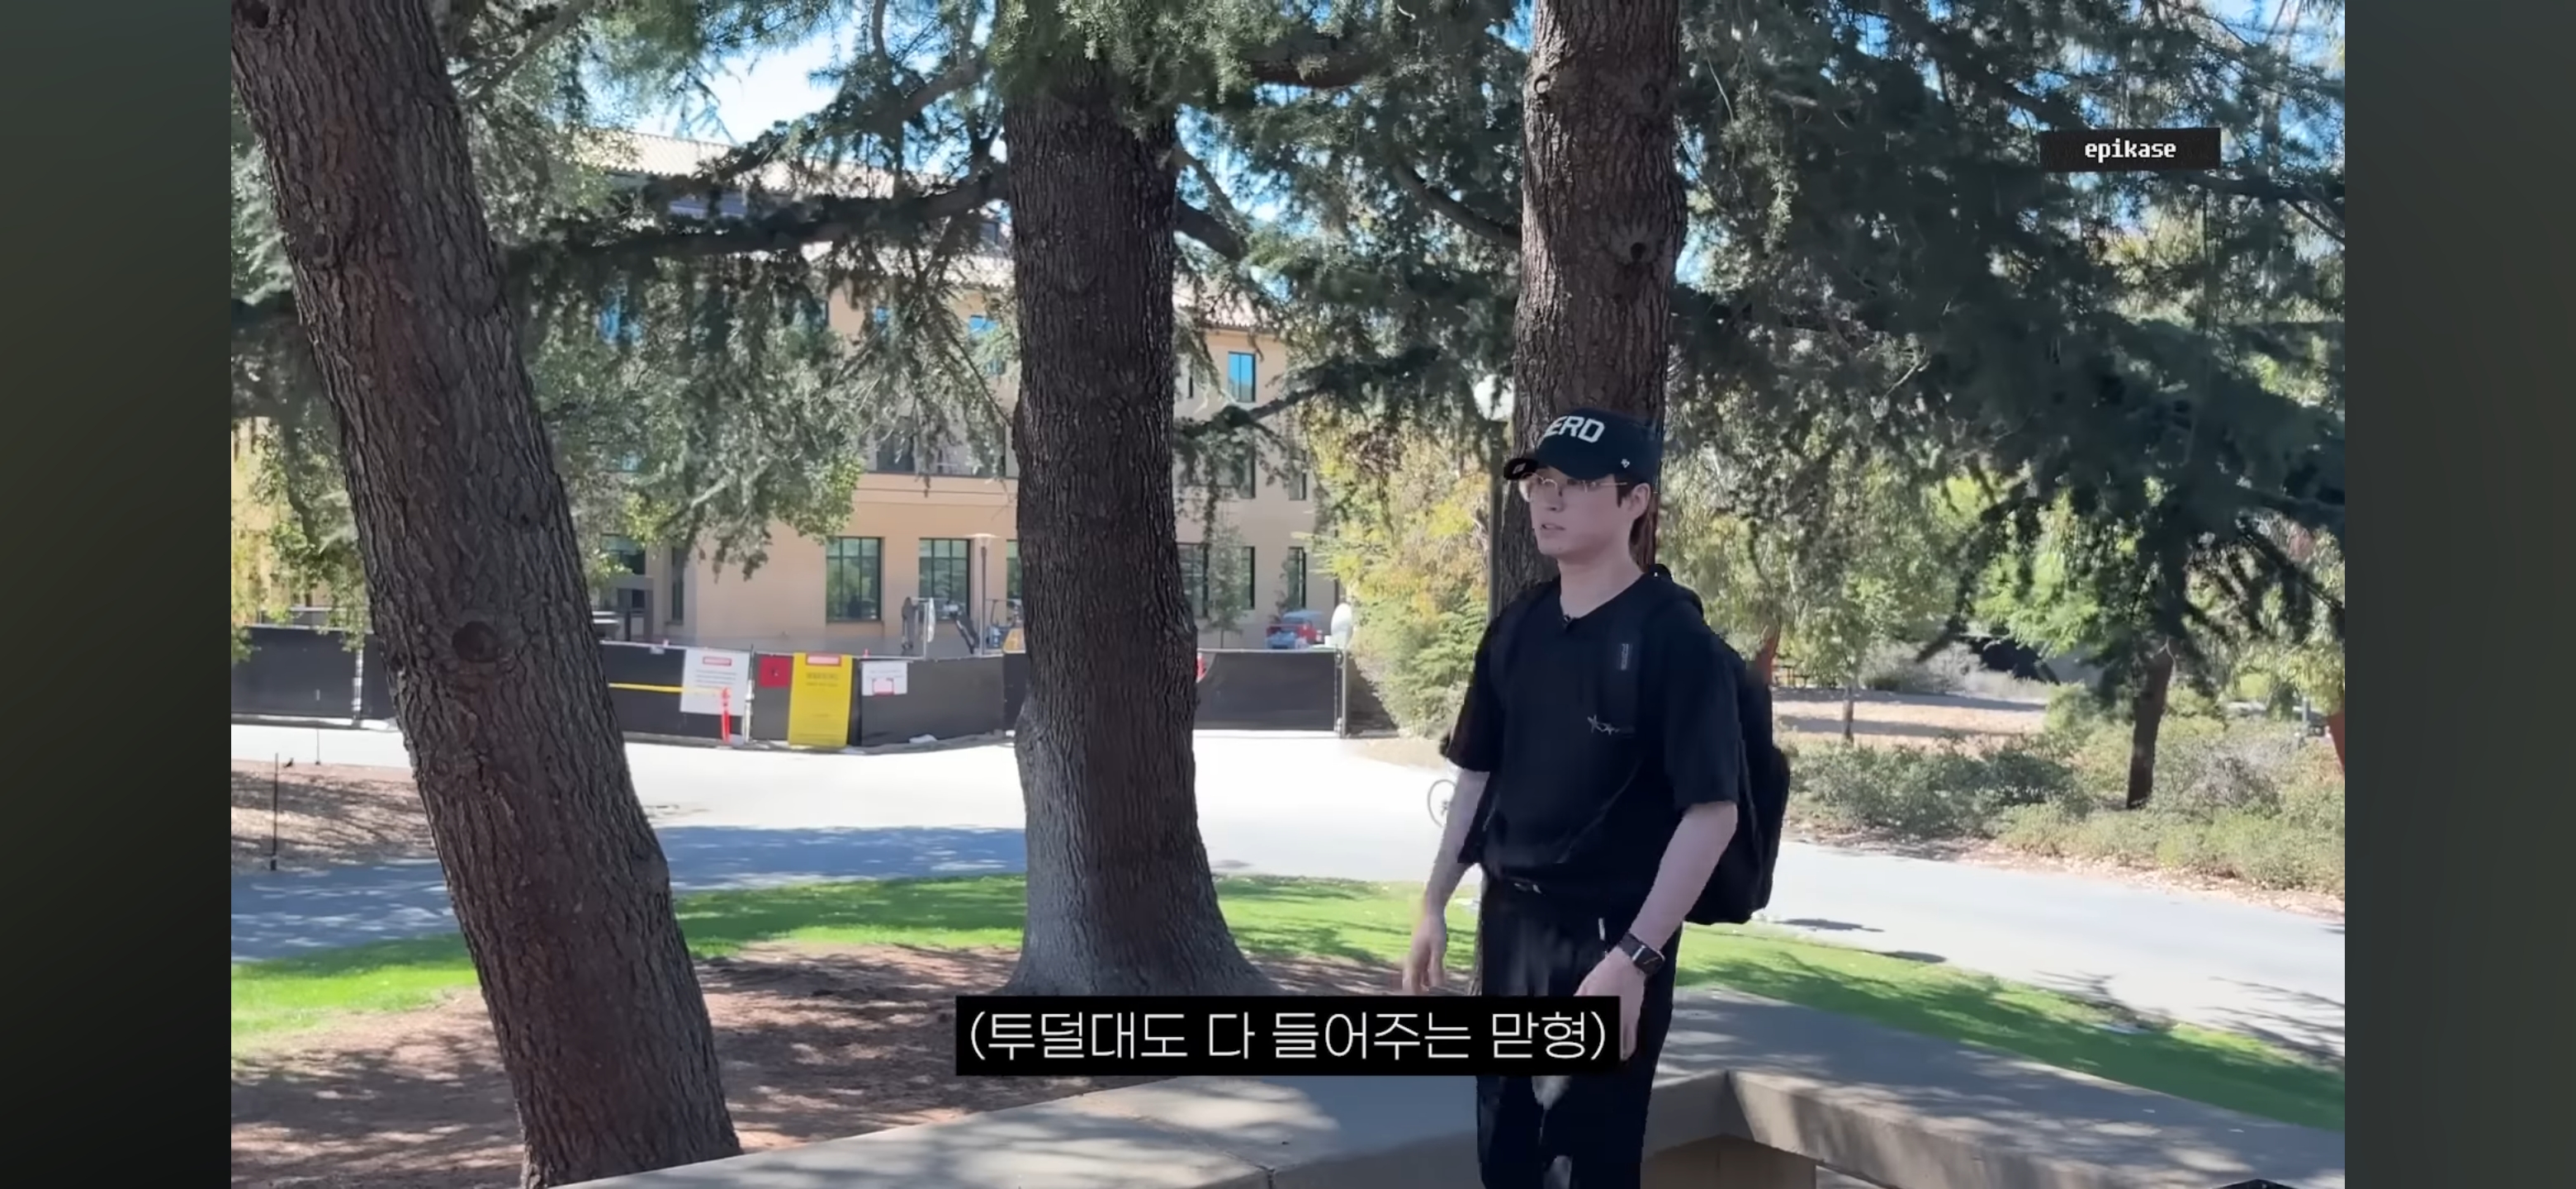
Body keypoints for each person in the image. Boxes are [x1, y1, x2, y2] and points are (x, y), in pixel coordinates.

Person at [1403, 407, 1749, 1189]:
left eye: (1579, 483)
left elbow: (1712, 814)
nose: (1549, 500)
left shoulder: (1675, 641)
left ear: (1637, 500)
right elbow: (1477, 777)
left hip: (1607, 939)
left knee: (1586, 1164)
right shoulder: (1518, 627)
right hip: (1510, 927)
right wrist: (1433, 904)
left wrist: (1634, 959)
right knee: (1507, 1157)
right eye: (1541, 482)